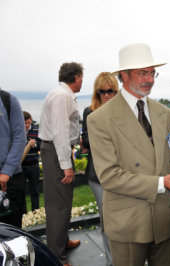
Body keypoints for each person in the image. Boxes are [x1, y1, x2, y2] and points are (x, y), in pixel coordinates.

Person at [87, 43, 170, 266]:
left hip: (164, 220)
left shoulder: (164, 113)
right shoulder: (99, 119)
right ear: (123, 75)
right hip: (128, 224)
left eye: (152, 72)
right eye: (143, 73)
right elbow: (110, 176)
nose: (150, 79)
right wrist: (163, 183)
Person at [39, 62, 83, 266]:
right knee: (58, 205)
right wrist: (66, 165)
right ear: (76, 77)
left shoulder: (62, 95)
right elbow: (59, 132)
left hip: (58, 152)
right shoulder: (62, 96)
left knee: (64, 202)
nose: (82, 81)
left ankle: (62, 242)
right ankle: (56, 255)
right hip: (56, 154)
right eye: (81, 77)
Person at [81, 72, 119, 266]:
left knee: (125, 219)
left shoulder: (124, 111)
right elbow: (86, 140)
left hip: (122, 174)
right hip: (98, 176)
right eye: (102, 91)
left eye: (110, 90)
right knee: (108, 221)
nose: (106, 95)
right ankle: (112, 262)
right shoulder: (90, 112)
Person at [0, 88, 26, 228]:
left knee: (12, 231)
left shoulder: (8, 100)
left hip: (10, 179)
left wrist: (6, 171)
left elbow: (20, 138)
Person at [21, 111, 41, 212]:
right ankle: (23, 213)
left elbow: (42, 145)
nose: (27, 125)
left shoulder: (37, 129)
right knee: (21, 191)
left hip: (33, 164)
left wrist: (35, 145)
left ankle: (35, 212)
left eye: (28, 123)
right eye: (24, 123)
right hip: (21, 166)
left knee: (35, 191)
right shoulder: (17, 130)